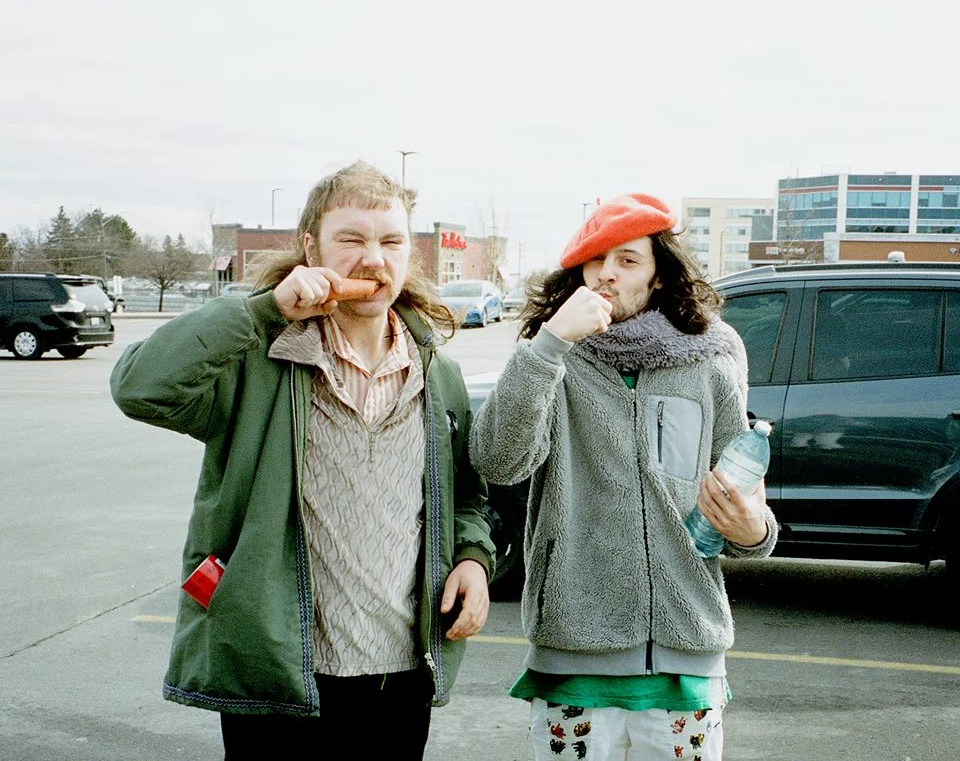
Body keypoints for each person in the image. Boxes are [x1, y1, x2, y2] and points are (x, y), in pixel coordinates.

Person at [111, 162, 495, 760]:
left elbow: (465, 496)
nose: (373, 259)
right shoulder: (258, 358)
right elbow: (138, 387)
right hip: (280, 680)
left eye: (391, 242)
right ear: (311, 248)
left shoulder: (437, 373)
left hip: (401, 678)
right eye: (351, 239)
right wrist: (262, 311)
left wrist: (473, 558)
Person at [469, 193, 778, 760]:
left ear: (659, 275)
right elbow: (498, 461)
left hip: (687, 657)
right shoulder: (553, 360)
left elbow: (746, 510)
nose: (606, 273)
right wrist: (550, 344)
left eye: (627, 260)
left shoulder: (709, 365)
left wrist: (754, 531)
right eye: (595, 260)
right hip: (573, 656)